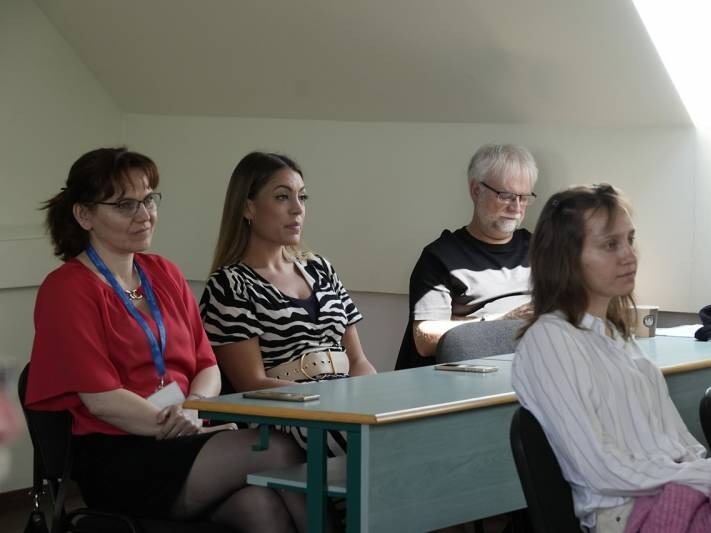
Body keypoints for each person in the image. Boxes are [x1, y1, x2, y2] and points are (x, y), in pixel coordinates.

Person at [25, 147, 307, 533]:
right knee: (280, 448)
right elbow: (102, 400)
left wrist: (194, 408)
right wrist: (179, 424)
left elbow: (207, 365)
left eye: (148, 200)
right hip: (122, 453)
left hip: (183, 433)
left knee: (260, 507)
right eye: (125, 205)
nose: (144, 215)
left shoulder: (165, 273)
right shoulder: (67, 288)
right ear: (84, 215)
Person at [511, 184, 711, 532]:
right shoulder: (550, 340)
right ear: (566, 257)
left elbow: (681, 446)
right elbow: (603, 472)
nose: (629, 255)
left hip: (675, 494)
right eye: (610, 245)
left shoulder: (614, 336)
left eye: (629, 240)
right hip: (628, 514)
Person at [199, 152, 375, 453]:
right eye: (282, 197)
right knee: (365, 444)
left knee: (412, 429)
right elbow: (251, 383)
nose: (297, 208)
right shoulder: (229, 284)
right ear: (248, 207)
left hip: (342, 403)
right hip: (284, 413)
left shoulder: (320, 268)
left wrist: (377, 399)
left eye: (302, 197)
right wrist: (325, 402)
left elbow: (358, 361)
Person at [394, 143, 538, 370]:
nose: (517, 208)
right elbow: (424, 339)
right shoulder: (441, 257)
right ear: (476, 190)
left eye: (524, 197)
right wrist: (503, 322)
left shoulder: (540, 249)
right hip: (472, 375)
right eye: (506, 196)